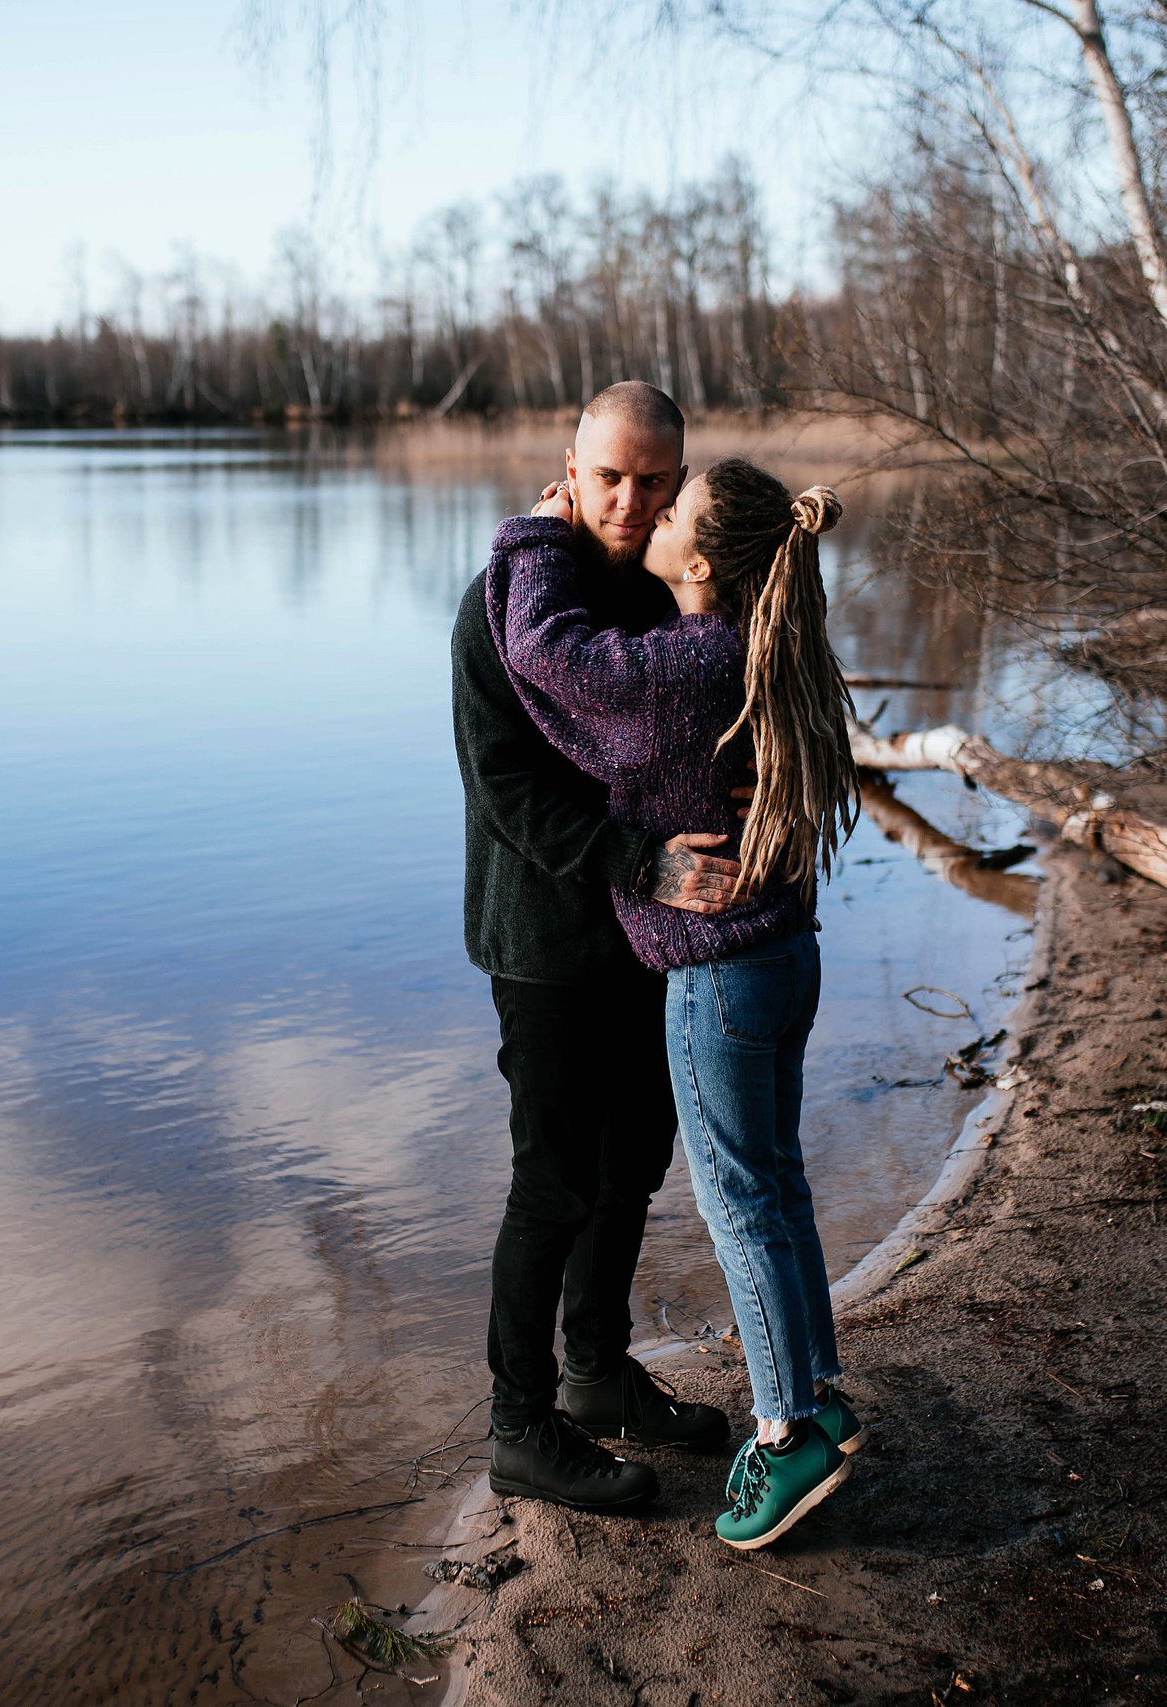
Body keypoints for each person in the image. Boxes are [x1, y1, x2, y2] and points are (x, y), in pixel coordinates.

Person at [484, 454, 866, 1550]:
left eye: (673, 503)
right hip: (784, 956)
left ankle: (788, 1430)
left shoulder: (682, 662)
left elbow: (538, 655)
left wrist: (531, 536)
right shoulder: (763, 643)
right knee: (779, 1191)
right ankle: (819, 1392)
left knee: (739, 1206)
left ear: (698, 560)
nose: (649, 509)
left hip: (719, 974)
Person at [451, 382, 738, 1515]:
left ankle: (595, 1377)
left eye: (652, 480)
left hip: (641, 939)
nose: (628, 500)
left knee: (632, 1166)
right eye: (608, 476)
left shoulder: (662, 590)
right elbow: (506, 786)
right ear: (568, 471)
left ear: (677, 478)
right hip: (546, 936)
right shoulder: (506, 606)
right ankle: (518, 1429)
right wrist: (638, 861)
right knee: (553, 1185)